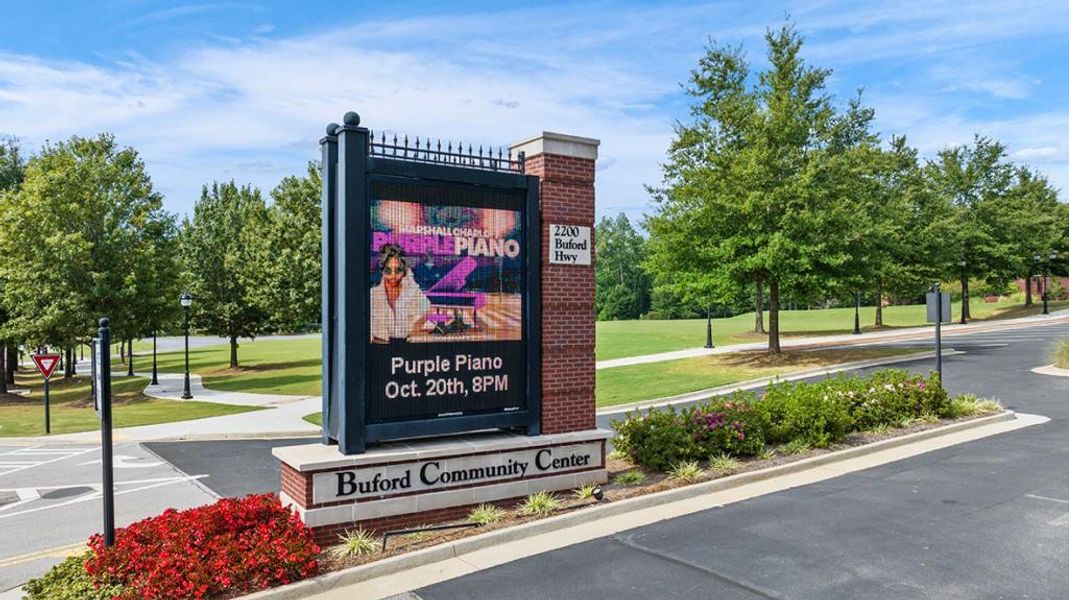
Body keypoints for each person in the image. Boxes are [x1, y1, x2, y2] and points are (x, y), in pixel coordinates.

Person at [370, 243, 431, 343]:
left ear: (403, 271)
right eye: (388, 270)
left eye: (398, 270)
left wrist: (416, 328)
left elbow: (430, 313)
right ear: (382, 271)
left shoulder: (412, 292)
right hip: (378, 347)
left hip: (406, 346)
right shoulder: (373, 295)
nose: (393, 276)